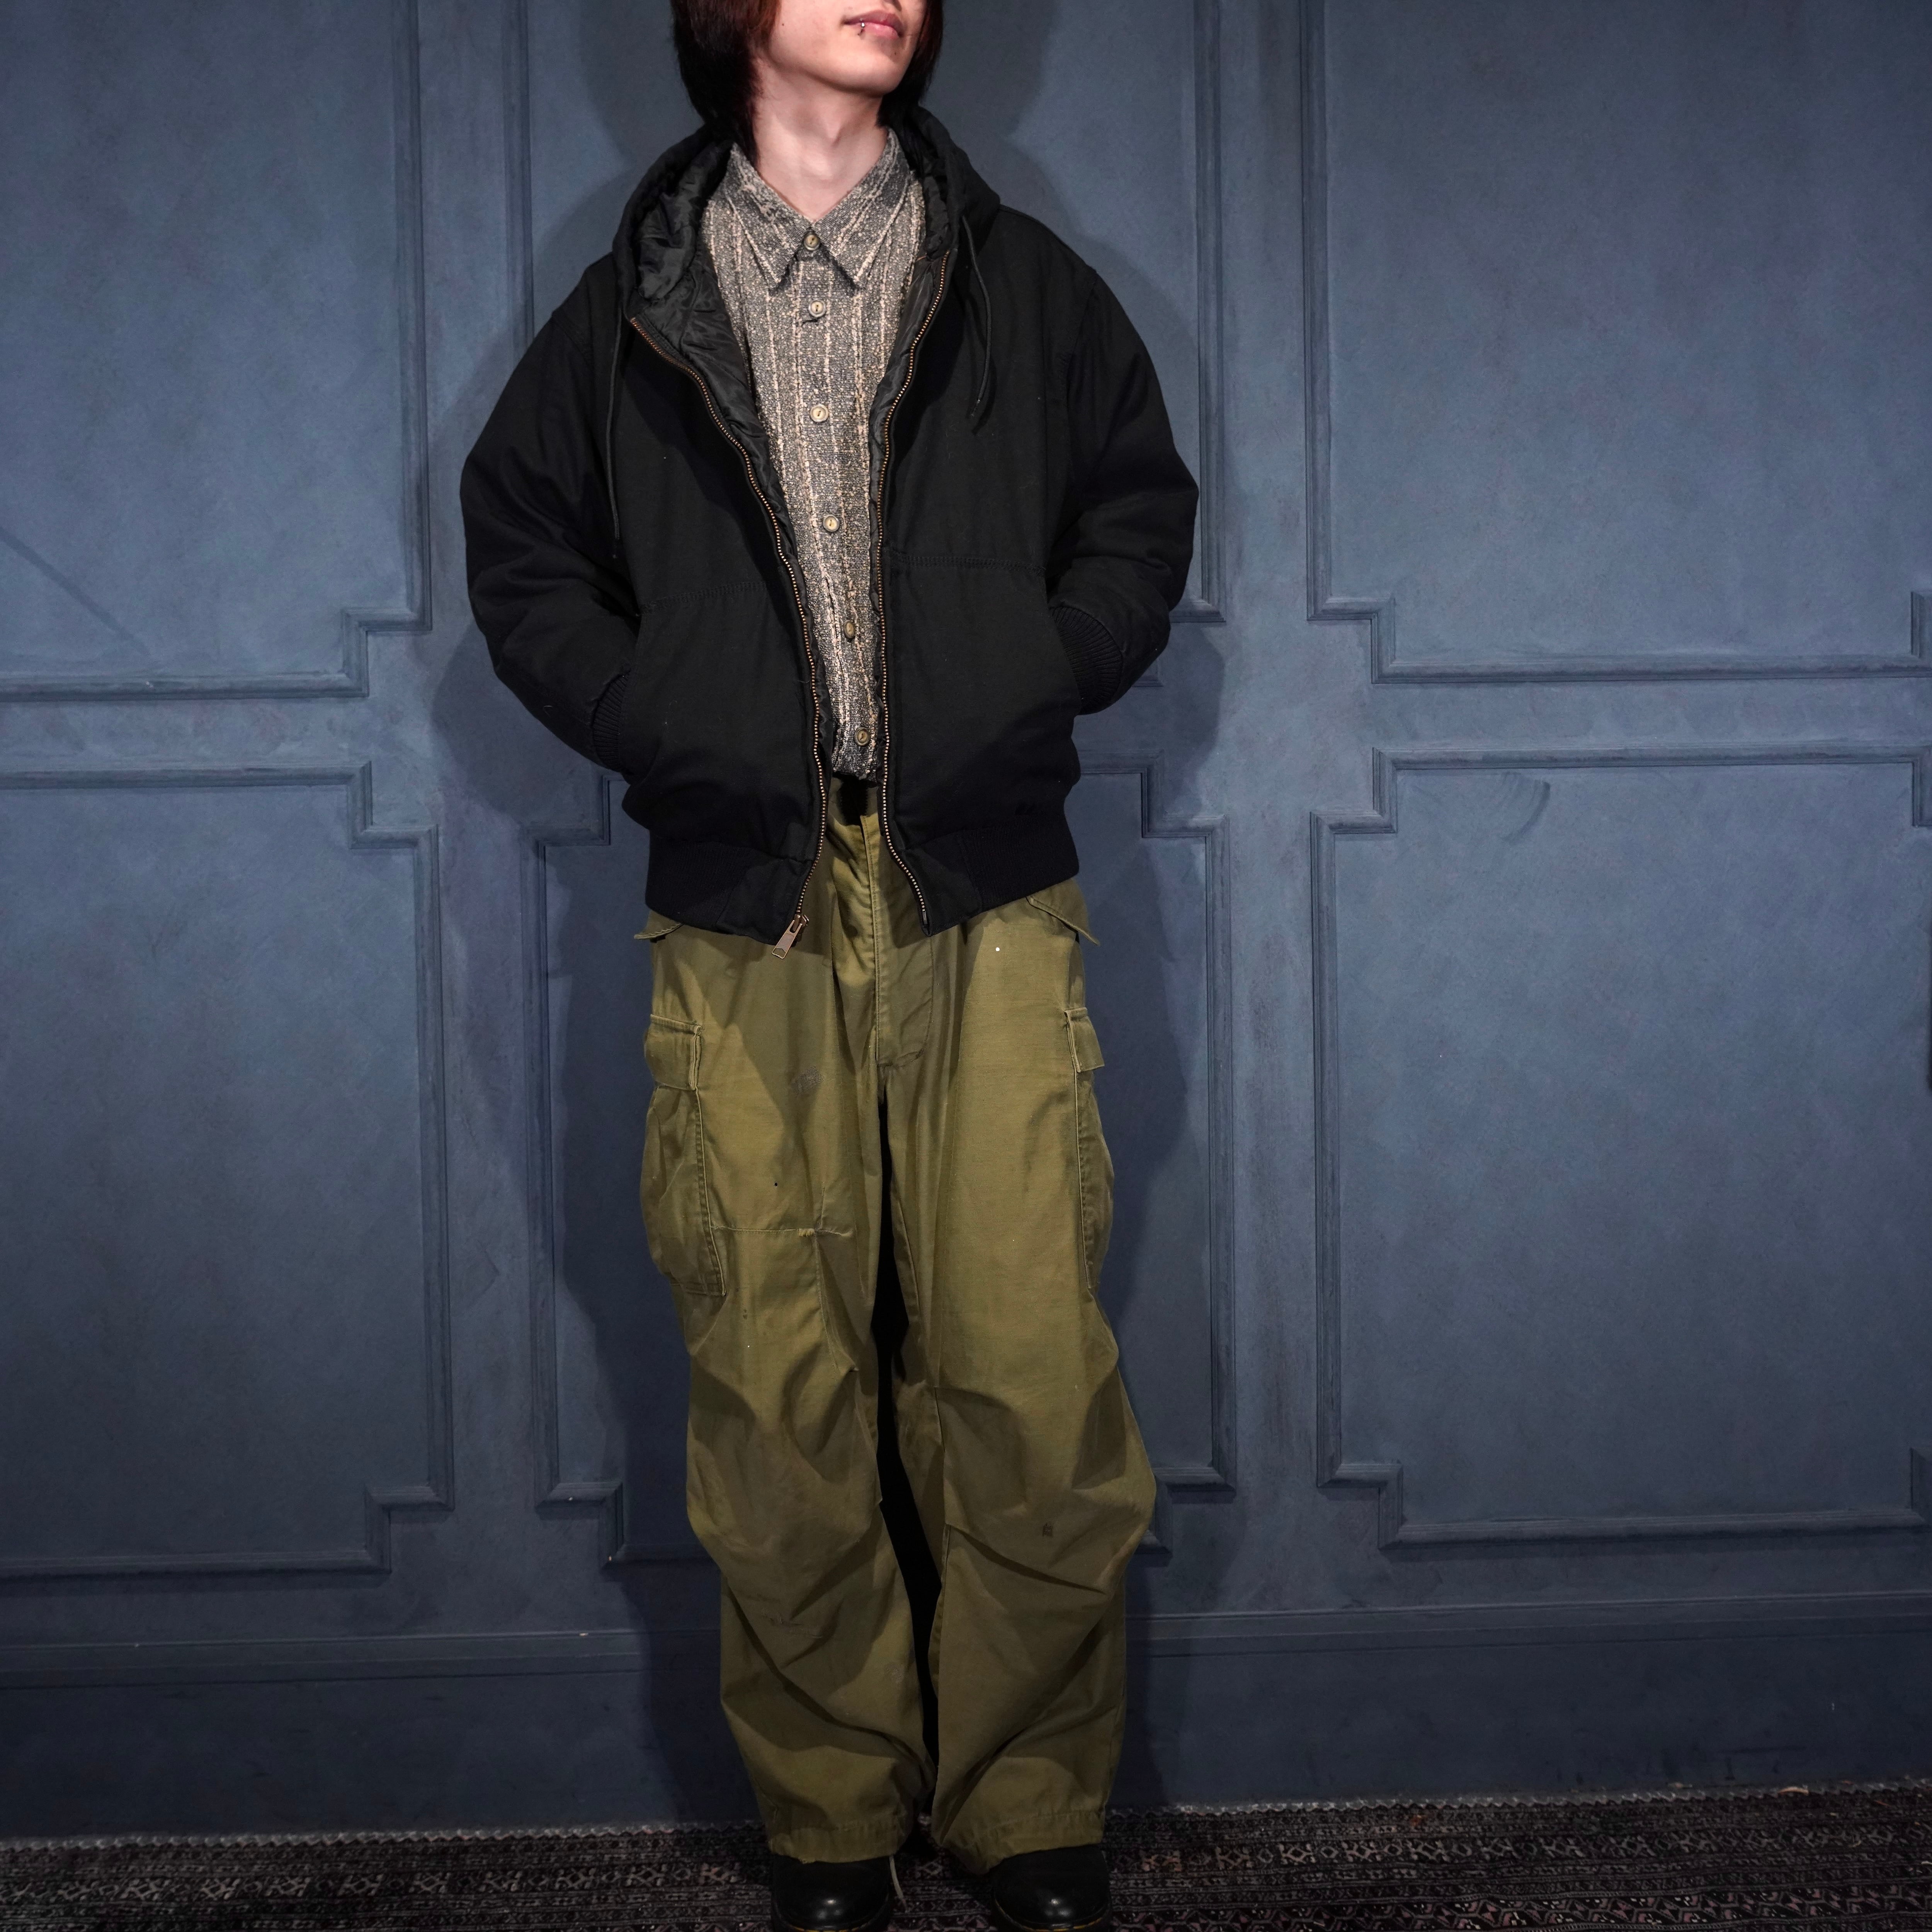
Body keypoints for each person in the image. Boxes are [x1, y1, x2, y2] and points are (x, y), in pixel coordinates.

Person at [462, 2, 1197, 1925]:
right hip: (745, 906)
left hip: (983, 891)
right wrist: (676, 722)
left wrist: (1026, 673)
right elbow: (521, 555)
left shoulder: (1024, 289)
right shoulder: (629, 311)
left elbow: (1136, 509)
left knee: (1023, 1371)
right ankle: (829, 1822)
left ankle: (1026, 1808)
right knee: (773, 1381)